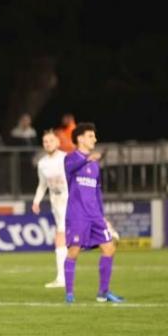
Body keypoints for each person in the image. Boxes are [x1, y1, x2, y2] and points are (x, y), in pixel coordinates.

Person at [63, 123, 124, 304]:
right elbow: (71, 168)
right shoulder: (70, 159)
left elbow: (98, 192)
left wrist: (103, 216)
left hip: (94, 215)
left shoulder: (95, 165)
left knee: (109, 248)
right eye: (91, 136)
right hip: (77, 214)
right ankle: (69, 294)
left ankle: (103, 293)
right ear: (80, 138)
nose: (95, 139)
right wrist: (88, 159)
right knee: (73, 252)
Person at [32, 130, 68, 288]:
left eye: (51, 141)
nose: (48, 144)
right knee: (62, 237)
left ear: (58, 142)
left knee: (60, 237)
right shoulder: (42, 163)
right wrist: (36, 201)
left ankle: (62, 278)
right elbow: (42, 185)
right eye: (45, 141)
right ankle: (62, 277)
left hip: (70, 199)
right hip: (56, 201)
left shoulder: (66, 158)